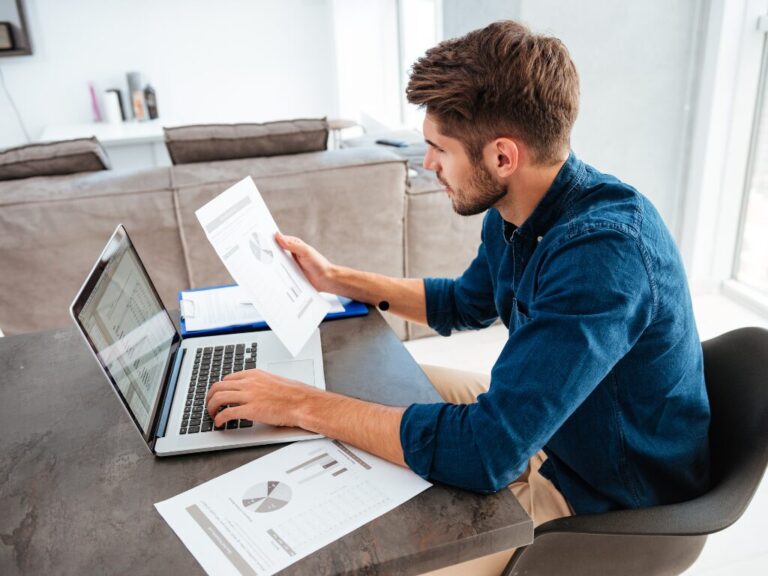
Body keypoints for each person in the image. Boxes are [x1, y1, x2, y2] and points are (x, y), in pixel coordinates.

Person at [207, 20, 711, 575]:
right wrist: (336, 279)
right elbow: (464, 302)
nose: (428, 166)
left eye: (437, 149)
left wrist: (301, 405)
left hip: (604, 500)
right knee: (367, 378)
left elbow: (486, 454)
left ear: (501, 156)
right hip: (551, 429)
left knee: (376, 532)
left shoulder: (602, 255)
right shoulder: (518, 208)